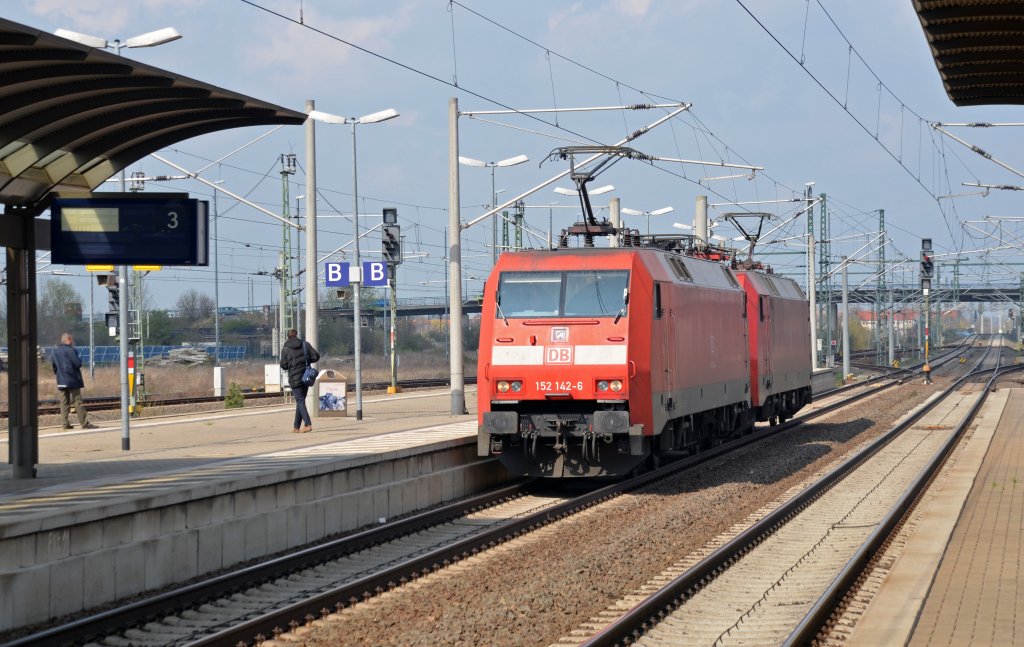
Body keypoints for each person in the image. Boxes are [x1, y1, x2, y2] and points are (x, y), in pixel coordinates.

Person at [51, 332, 96, 430]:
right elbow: (78, 364)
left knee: (64, 402)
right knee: (77, 401)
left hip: (61, 380)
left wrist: (60, 375)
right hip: (73, 380)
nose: (72, 342)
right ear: (69, 339)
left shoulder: (55, 352)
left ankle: (65, 424)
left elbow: (54, 368)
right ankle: (84, 423)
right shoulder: (71, 350)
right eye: (71, 340)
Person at [280, 328, 320, 433]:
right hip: (306, 377)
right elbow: (316, 356)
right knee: (300, 401)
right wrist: (306, 361)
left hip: (294, 378)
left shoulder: (286, 349)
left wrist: (291, 364)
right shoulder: (305, 345)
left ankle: (308, 424)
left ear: (288, 337)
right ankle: (296, 426)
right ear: (296, 335)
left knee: (300, 401)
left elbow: (283, 365)